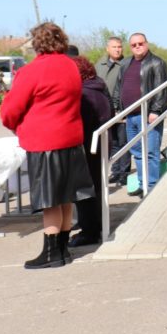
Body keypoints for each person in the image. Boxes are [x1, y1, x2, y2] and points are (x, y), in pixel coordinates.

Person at [0, 22, 94, 269]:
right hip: (72, 139)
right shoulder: (71, 67)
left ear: (37, 43)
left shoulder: (33, 70)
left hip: (45, 141)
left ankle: (52, 253)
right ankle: (63, 250)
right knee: (66, 197)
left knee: (50, 199)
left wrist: (15, 126)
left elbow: (10, 109)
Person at [113, 33, 167, 196]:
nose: (137, 47)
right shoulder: (125, 63)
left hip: (148, 115)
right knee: (136, 151)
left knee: (151, 152)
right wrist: (117, 108)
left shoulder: (156, 63)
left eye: (140, 43)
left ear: (146, 44)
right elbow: (119, 87)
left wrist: (155, 111)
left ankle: (152, 186)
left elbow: (162, 89)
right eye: (134, 45)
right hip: (130, 116)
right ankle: (142, 182)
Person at [69, 55, 113, 247]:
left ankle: (90, 231)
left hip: (88, 146)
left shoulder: (85, 94)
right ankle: (93, 226)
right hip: (100, 145)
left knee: (85, 190)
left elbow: (83, 122)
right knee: (95, 187)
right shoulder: (99, 88)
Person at [95, 36, 130, 185]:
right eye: (114, 47)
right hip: (105, 110)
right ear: (107, 49)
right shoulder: (100, 65)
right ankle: (115, 171)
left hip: (121, 110)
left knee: (123, 142)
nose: (117, 49)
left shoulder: (127, 64)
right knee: (113, 142)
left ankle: (124, 173)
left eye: (119, 47)